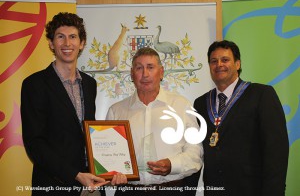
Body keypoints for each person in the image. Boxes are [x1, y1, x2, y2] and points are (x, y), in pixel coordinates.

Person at [21, 12, 127, 196]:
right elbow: (35, 144)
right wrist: (75, 175)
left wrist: (113, 167)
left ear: (82, 43)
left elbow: (90, 133)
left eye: (73, 37)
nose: (67, 43)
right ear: (51, 43)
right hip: (54, 185)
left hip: (91, 184)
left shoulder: (89, 83)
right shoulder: (34, 84)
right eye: (60, 37)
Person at [193, 40, 289, 196]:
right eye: (213, 61)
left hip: (252, 190)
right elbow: (196, 151)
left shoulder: (262, 95)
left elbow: (276, 151)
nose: (219, 64)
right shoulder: (201, 103)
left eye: (225, 60)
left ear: (237, 64)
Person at [106, 47, 203, 196]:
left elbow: (195, 152)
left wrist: (172, 165)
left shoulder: (181, 105)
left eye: (150, 67)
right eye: (139, 68)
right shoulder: (116, 111)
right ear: (132, 74)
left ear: (161, 72)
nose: (145, 74)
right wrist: (112, 171)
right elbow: (109, 155)